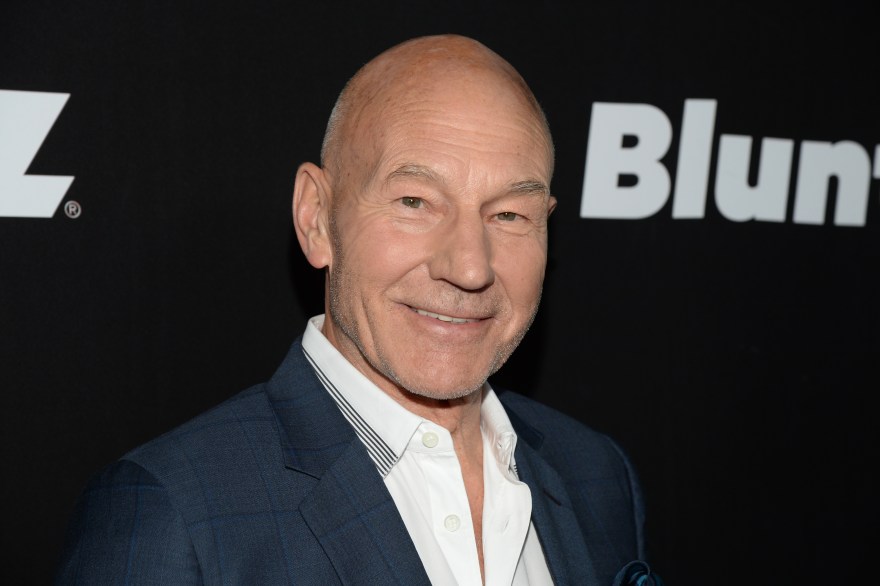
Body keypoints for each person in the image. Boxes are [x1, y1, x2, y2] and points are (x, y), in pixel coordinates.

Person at [55, 34, 659, 585]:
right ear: (317, 218)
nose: (470, 267)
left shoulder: (595, 474)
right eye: (415, 202)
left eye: (509, 214)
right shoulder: (173, 515)